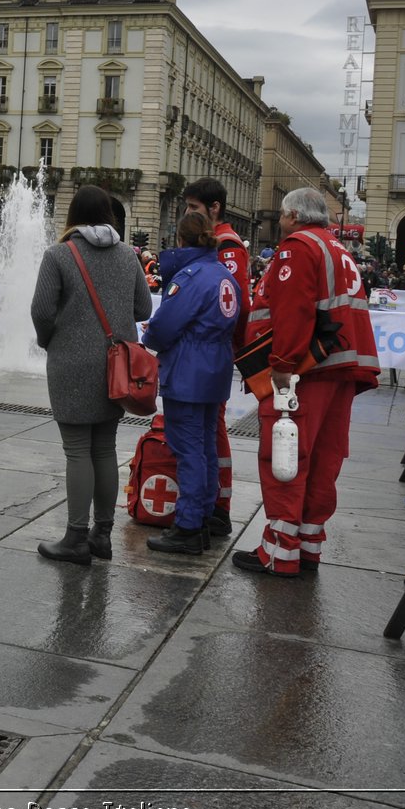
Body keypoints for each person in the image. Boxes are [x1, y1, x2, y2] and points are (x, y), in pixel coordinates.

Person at [234, 186, 379, 577]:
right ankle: (309, 546)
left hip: (306, 371)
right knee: (321, 461)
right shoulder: (338, 249)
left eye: (282, 215)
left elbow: (294, 308)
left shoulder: (297, 247)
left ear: (293, 216)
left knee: (286, 457)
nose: (281, 222)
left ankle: (279, 552)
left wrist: (282, 363)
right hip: (340, 369)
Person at [30, 185, 152, 564]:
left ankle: (76, 537)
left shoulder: (58, 255)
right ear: (110, 215)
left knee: (77, 449)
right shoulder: (128, 255)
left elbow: (41, 311)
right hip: (118, 367)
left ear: (73, 216)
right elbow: (144, 307)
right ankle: (103, 535)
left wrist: (51, 341)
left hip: (71, 364)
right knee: (104, 448)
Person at [140, 212, 239, 554]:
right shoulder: (223, 274)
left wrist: (149, 336)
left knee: (188, 448)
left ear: (180, 240)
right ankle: (205, 516)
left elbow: (165, 326)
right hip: (216, 367)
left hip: (188, 370)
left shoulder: (191, 277)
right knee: (207, 446)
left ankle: (188, 525)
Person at [181, 177, 250, 537]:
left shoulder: (228, 247)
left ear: (214, 208)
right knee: (207, 431)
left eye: (194, 208)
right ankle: (210, 503)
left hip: (212, 354)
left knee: (212, 432)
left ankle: (219, 505)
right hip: (208, 354)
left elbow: (234, 305)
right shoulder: (217, 243)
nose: (188, 214)